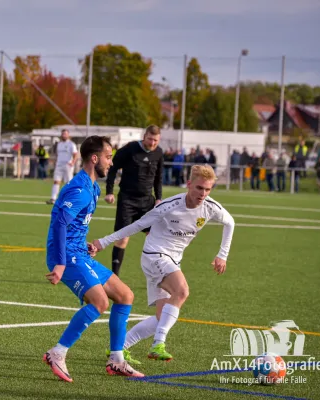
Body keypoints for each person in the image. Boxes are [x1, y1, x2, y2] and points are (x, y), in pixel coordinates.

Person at [93, 164, 235, 362]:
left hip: (171, 260)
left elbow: (230, 223)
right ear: (189, 184)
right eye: (199, 188)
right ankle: (158, 344)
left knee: (162, 317)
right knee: (182, 291)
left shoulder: (211, 207)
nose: (203, 193)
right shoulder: (169, 205)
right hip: (155, 255)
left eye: (207, 189)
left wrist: (223, 255)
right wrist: (104, 242)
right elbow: (138, 225)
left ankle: (119, 347)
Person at [43, 135, 144, 383]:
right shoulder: (80, 189)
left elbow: (74, 225)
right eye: (109, 157)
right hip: (67, 257)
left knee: (125, 296)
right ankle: (57, 352)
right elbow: (59, 224)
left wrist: (86, 244)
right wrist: (59, 262)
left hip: (78, 252)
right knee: (100, 303)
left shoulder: (93, 187)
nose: (112, 163)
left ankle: (117, 360)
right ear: (95, 158)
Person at [104, 125, 163, 276]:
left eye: (155, 140)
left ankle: (157, 274)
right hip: (127, 200)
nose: (152, 143)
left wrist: (159, 198)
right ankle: (114, 276)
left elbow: (158, 178)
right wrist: (109, 192)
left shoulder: (158, 153)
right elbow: (113, 167)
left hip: (147, 201)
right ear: (144, 136)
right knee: (123, 238)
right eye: (150, 139)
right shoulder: (130, 148)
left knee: (155, 237)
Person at [46, 129, 78, 204]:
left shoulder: (71, 144)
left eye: (65, 134)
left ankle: (70, 199)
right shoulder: (59, 144)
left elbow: (75, 154)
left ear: (68, 135)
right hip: (59, 165)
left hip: (68, 165)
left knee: (68, 182)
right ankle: (53, 198)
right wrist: (56, 162)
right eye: (63, 134)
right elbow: (58, 154)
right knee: (56, 181)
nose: (64, 135)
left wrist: (73, 162)